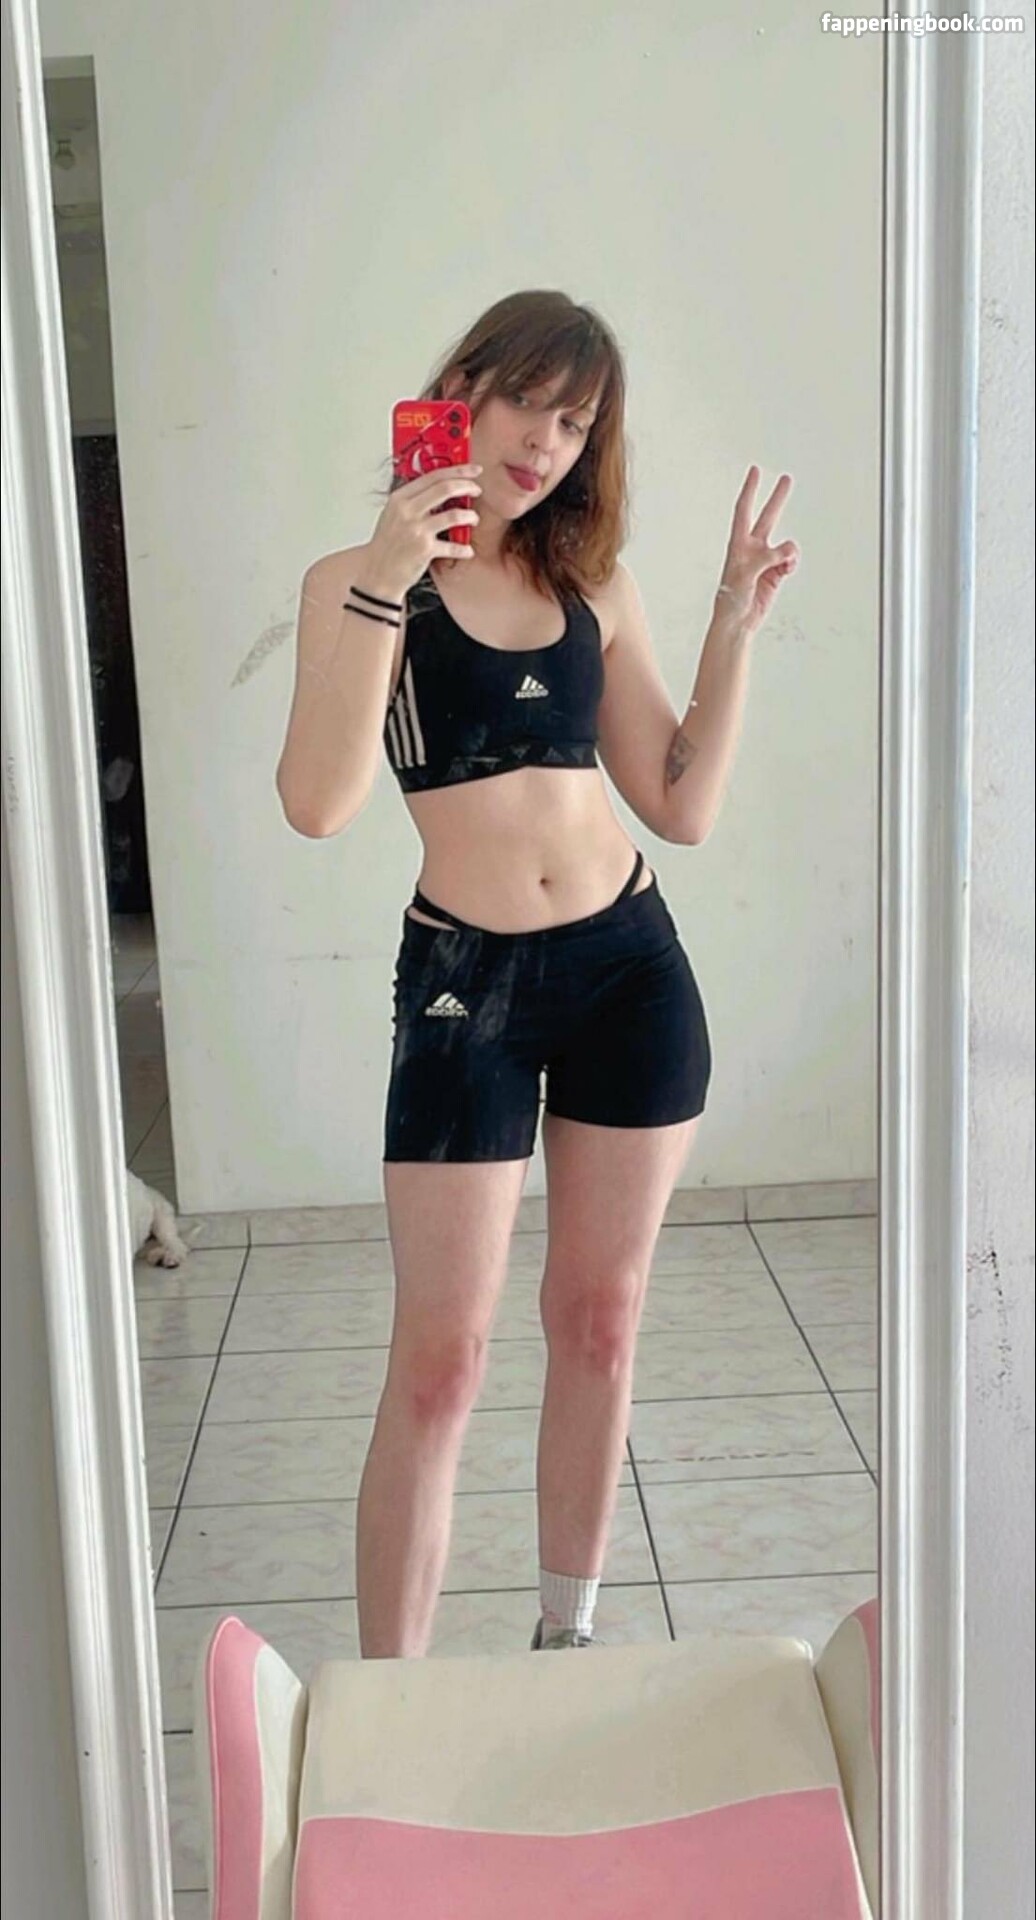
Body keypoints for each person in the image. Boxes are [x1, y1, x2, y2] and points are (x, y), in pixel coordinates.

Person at [276, 289, 799, 1658]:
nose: (545, 443)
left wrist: (733, 621)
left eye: (576, 424)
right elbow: (318, 803)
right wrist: (391, 569)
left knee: (600, 1322)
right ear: (462, 389)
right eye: (526, 402)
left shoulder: (591, 585)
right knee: (442, 1363)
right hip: (468, 989)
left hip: (630, 969)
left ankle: (565, 1640)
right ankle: (392, 1699)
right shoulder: (352, 581)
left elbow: (679, 803)